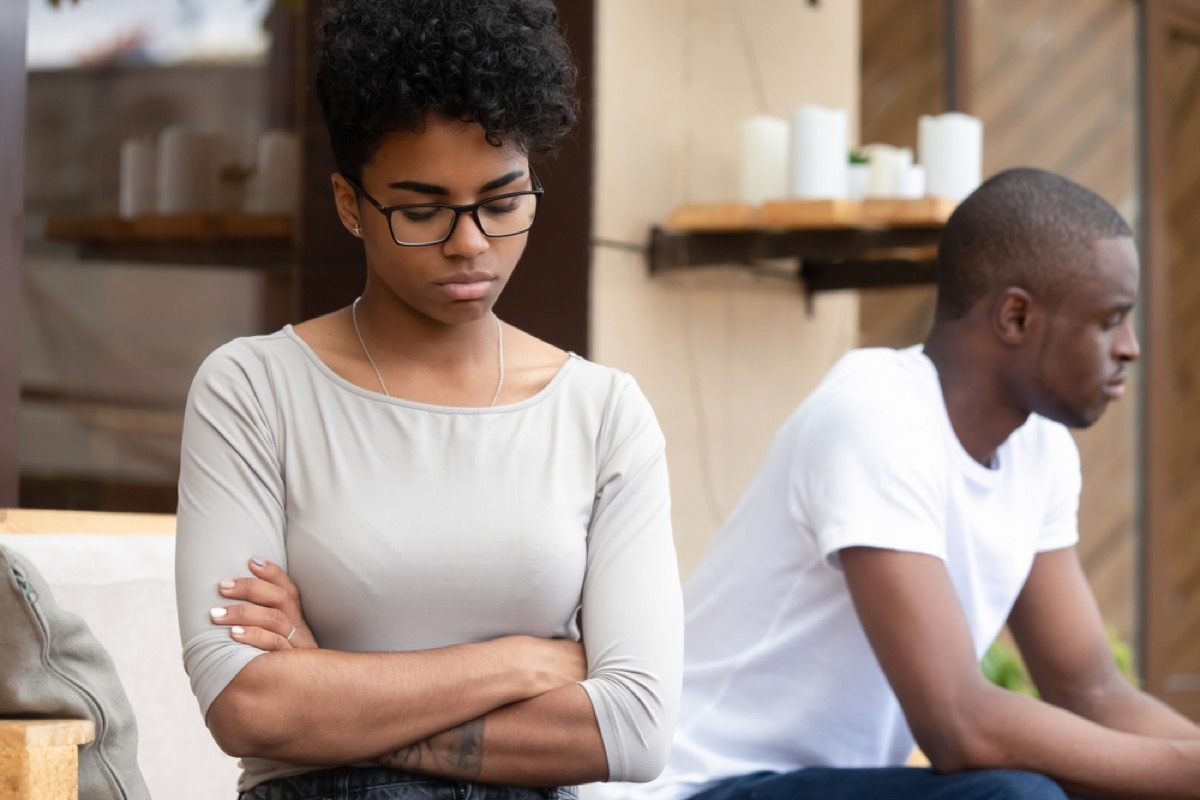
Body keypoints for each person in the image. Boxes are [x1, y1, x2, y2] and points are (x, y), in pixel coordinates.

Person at [173, 1, 682, 798]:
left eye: (503, 202)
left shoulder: (603, 414)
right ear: (351, 205)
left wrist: (338, 703)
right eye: (421, 210)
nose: (470, 243)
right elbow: (249, 705)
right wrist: (518, 663)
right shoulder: (254, 390)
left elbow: (635, 729)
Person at [598, 167, 1200, 800]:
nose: (1130, 346)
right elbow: (958, 726)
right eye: (1111, 319)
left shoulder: (1040, 449)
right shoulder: (876, 412)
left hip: (828, 785)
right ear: (1016, 317)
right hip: (695, 783)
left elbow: (1090, 690)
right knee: (1017, 797)